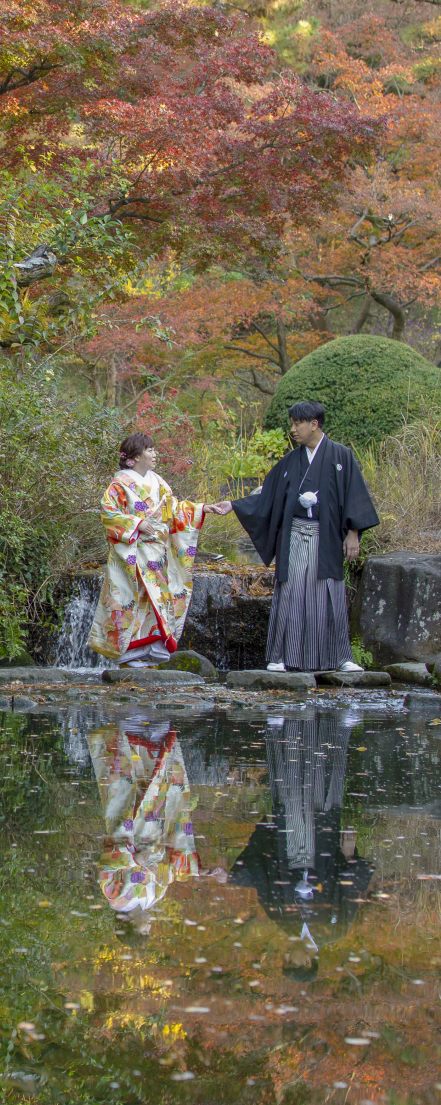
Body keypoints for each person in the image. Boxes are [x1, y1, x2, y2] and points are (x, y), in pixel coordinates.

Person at [212, 402, 379, 673]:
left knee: (329, 592)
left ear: (314, 424)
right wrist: (233, 504)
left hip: (326, 538)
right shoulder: (292, 460)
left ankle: (340, 658)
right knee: (289, 592)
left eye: (297, 423)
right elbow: (269, 495)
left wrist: (353, 533)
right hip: (294, 536)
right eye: (292, 423)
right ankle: (279, 656)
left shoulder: (341, 456)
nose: (293, 430)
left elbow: (354, 494)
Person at [229, 710, 374, 981]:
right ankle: (335, 727)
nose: (285, 955)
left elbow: (264, 880)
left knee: (289, 792)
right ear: (308, 961)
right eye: (290, 961)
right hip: (324, 855)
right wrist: (350, 855)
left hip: (289, 850)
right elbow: (352, 891)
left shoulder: (284, 922)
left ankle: (281, 727)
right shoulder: (335, 929)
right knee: (324, 789)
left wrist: (264, 834)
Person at [88, 432, 224, 668]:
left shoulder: (158, 482)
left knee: (157, 601)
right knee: (129, 600)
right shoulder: (119, 485)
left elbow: (175, 509)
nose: (155, 453)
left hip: (157, 555)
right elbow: (109, 514)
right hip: (130, 552)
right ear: (135, 455)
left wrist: (203, 508)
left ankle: (150, 648)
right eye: (150, 450)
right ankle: (127, 651)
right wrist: (137, 523)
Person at [87, 716, 199, 938]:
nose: (149, 923)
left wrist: (133, 860)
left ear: (128, 924)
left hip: (131, 836)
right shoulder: (152, 899)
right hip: (156, 834)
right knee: (164, 788)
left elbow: (106, 868)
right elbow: (165, 874)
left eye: (144, 927)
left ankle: (127, 726)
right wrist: (188, 866)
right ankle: (157, 727)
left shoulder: (116, 898)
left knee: (127, 787)